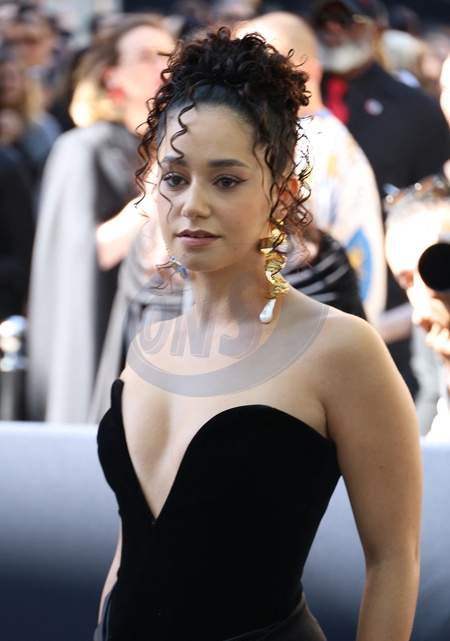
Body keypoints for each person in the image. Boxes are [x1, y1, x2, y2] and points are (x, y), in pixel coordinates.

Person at [95, 27, 422, 641]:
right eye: (174, 178)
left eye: (226, 180)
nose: (192, 204)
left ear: (282, 193)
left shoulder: (342, 350)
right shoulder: (146, 350)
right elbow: (130, 550)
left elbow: (393, 560)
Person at [26, 15, 174, 423]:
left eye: (169, 56)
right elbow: (82, 256)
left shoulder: (169, 147)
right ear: (112, 76)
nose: (162, 67)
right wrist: (154, 196)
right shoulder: (83, 147)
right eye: (146, 56)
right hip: (98, 330)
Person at [310, 0, 450, 395]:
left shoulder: (416, 109)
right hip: (306, 296)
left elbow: (436, 205)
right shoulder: (296, 100)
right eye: (324, 20)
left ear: (376, 30)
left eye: (345, 19)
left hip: (392, 305)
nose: (332, 29)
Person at [235, 11, 385, 327]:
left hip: (308, 328)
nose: (245, 74)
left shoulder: (320, 143)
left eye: (262, 62)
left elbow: (354, 265)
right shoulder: (269, 136)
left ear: (308, 71)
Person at [385, 171, 450, 438]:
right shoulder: (430, 330)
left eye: (434, 266)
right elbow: (430, 397)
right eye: (408, 281)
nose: (426, 290)